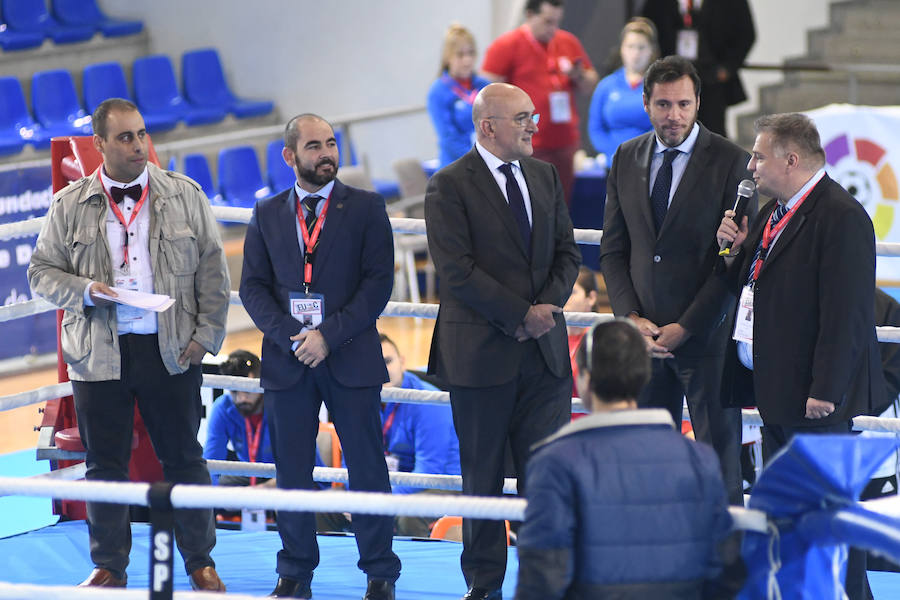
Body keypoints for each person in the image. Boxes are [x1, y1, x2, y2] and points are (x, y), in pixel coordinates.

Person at [27, 98, 230, 591]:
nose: (138, 145)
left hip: (170, 347)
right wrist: (85, 291)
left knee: (184, 457)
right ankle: (109, 566)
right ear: (99, 144)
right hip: (100, 351)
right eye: (124, 137)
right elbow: (40, 272)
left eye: (141, 134)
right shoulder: (69, 204)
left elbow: (212, 269)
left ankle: (201, 561)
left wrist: (205, 338)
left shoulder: (183, 194)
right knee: (105, 465)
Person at [715, 112, 883, 600]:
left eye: (759, 155)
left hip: (815, 400)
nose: (751, 167)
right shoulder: (773, 213)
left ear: (791, 159)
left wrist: (825, 391)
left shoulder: (842, 216)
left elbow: (847, 315)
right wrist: (730, 251)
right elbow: (746, 286)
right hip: (778, 392)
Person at [424, 82, 581, 600]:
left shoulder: (544, 175)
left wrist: (544, 313)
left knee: (547, 479)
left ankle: (545, 581)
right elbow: (457, 271)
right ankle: (485, 585)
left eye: (534, 115)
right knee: (483, 480)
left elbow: (568, 254)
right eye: (522, 118)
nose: (534, 125)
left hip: (544, 357)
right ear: (488, 126)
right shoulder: (448, 185)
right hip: (481, 356)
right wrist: (520, 314)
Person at [239, 113, 400, 600]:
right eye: (314, 146)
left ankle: (380, 573)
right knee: (291, 469)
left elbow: (378, 285)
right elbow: (253, 288)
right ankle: (294, 573)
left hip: (349, 352)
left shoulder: (368, 208)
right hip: (290, 360)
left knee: (368, 467)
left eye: (331, 144)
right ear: (289, 156)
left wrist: (327, 336)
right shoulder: (266, 214)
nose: (326, 153)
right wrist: (295, 336)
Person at [599, 55, 754, 506]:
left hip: (706, 338)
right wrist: (630, 319)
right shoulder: (626, 157)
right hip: (643, 339)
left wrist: (688, 326)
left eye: (684, 104)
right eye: (664, 104)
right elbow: (614, 249)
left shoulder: (733, 162)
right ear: (646, 103)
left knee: (719, 462)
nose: (675, 115)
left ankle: (723, 568)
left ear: (698, 103)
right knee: (647, 459)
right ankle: (654, 563)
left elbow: (734, 262)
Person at [515, 319, 736, 599]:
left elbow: (541, 579)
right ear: (643, 375)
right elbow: (723, 567)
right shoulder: (700, 458)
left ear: (583, 379)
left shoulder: (554, 462)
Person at [318, 334, 462, 538]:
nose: (384, 369)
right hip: (384, 486)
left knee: (407, 514)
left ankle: (414, 568)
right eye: (376, 363)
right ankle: (331, 567)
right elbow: (351, 459)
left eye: (388, 361)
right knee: (320, 503)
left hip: (439, 486)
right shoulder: (360, 399)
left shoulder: (427, 401)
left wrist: (378, 500)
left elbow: (428, 472)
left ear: (402, 362)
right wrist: (358, 495)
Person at [481, 0, 598, 204]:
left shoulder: (567, 41)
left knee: (560, 209)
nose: (553, 29)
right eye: (547, 22)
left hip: (564, 144)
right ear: (529, 15)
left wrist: (579, 75)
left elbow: (590, 84)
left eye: (556, 22)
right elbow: (485, 93)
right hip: (525, 145)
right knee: (529, 209)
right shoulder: (506, 45)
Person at [642, 0, 755, 138]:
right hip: (669, 78)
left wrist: (726, 69)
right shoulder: (658, 5)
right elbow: (645, 28)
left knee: (712, 136)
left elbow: (746, 34)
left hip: (711, 81)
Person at [587, 17, 657, 162]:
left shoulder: (659, 87)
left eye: (641, 47)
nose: (636, 53)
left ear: (651, 51)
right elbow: (595, 128)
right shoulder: (606, 86)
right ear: (622, 50)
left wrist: (642, 152)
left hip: (648, 160)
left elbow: (663, 126)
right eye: (630, 47)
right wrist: (614, 152)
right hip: (612, 162)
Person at [204, 350, 274, 487]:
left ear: (261, 383)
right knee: (221, 486)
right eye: (234, 391)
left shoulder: (281, 406)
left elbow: (304, 468)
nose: (242, 398)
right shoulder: (222, 408)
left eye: (247, 390)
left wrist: (266, 488)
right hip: (248, 474)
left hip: (284, 475)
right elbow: (211, 465)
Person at [428, 23, 492, 168]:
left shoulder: (485, 86)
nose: (467, 60)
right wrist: (481, 159)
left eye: (471, 53)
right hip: (457, 167)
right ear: (447, 58)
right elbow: (448, 138)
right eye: (460, 55)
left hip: (488, 162)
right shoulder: (438, 91)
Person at [563, 266, 600, 400]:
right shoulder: (548, 337)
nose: (564, 297)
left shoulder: (602, 340)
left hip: (592, 419)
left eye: (572, 292)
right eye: (563, 291)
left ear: (591, 298)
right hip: (557, 419)